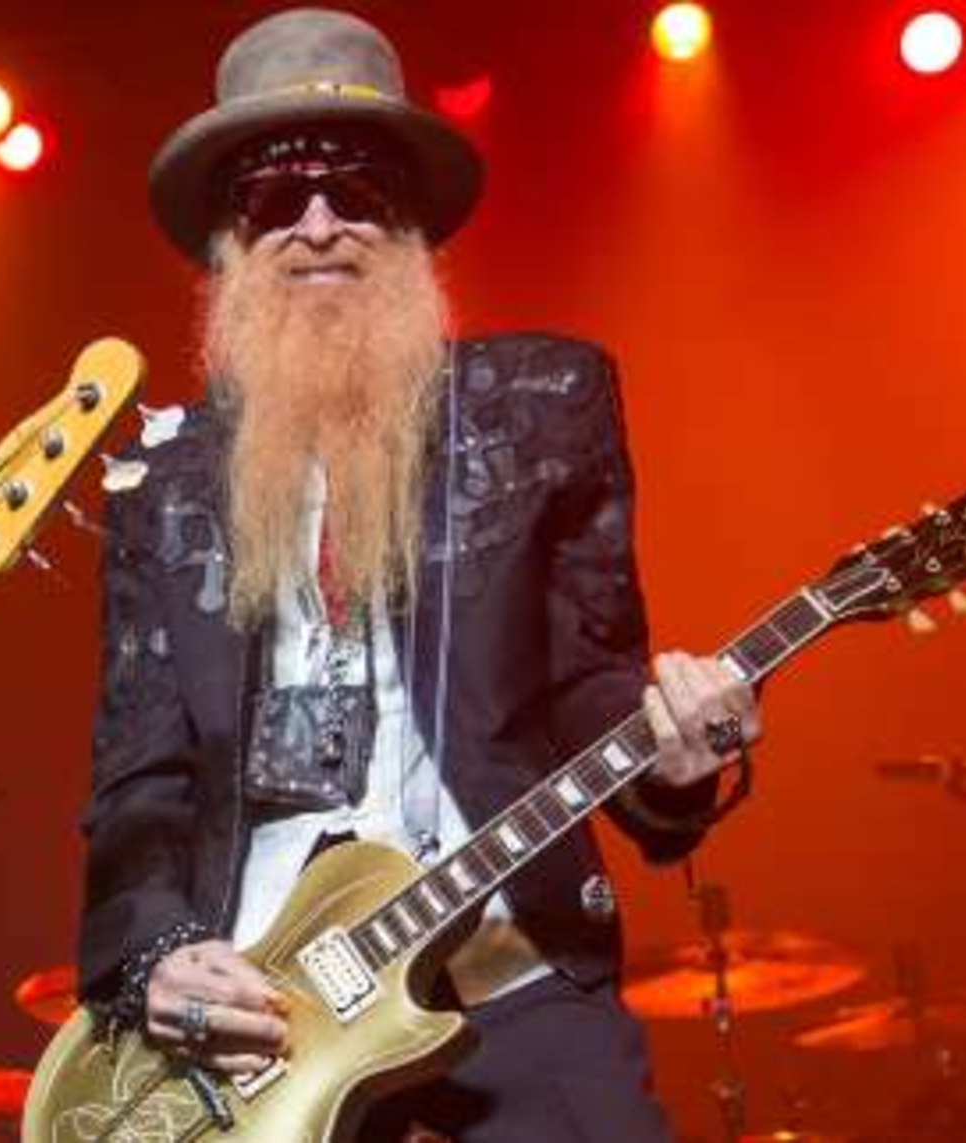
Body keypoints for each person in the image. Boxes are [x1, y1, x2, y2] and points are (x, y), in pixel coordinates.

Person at [75, 10, 760, 1140]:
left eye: (356, 189)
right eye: (274, 199)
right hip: (267, 1012)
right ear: (228, 243)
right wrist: (157, 953)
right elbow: (139, 779)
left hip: (505, 960)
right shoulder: (167, 480)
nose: (318, 225)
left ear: (412, 224)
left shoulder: (538, 409)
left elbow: (593, 687)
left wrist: (680, 761)